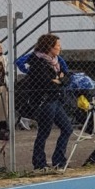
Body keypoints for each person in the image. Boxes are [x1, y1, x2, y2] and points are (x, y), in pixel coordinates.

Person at [23, 34, 71, 172]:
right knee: (44, 132)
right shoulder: (38, 62)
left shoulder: (56, 61)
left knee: (67, 128)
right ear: (49, 47)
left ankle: (58, 161)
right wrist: (58, 81)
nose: (59, 49)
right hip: (44, 100)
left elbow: (67, 76)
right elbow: (46, 84)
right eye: (57, 46)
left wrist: (60, 80)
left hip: (56, 99)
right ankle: (39, 163)